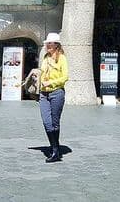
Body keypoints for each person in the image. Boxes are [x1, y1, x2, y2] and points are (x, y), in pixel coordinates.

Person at [36, 32, 68, 162]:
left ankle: (55, 151)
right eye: (47, 43)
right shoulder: (45, 57)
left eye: (50, 43)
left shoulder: (61, 58)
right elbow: (42, 73)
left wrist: (51, 82)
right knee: (46, 122)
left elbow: (65, 77)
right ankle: (55, 147)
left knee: (54, 123)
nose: (48, 45)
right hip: (43, 94)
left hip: (56, 93)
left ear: (56, 45)